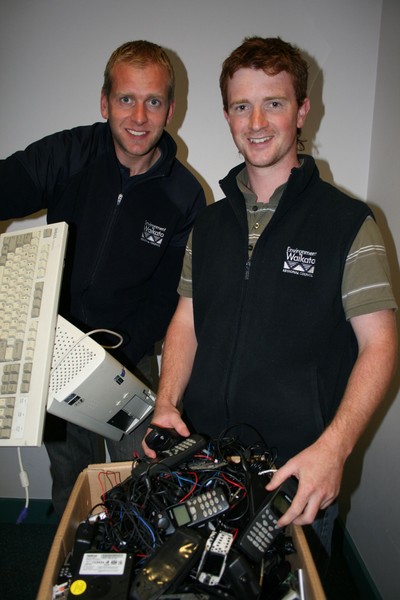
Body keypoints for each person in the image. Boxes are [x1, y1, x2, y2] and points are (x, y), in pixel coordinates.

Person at [142, 36, 397, 557]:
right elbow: (186, 323)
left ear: (301, 111)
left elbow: (381, 345)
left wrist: (336, 448)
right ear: (228, 116)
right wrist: (166, 404)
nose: (256, 122)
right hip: (207, 469)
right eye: (242, 106)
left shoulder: (348, 224)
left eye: (274, 103)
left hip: (298, 478)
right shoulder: (209, 225)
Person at [0, 40, 206, 517]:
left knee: (147, 478)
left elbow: (169, 297)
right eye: (126, 99)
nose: (139, 116)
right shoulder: (70, 153)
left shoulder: (185, 196)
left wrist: (114, 359)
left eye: (153, 101)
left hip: (132, 361)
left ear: (170, 109)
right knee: (72, 482)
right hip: (56, 349)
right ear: (104, 102)